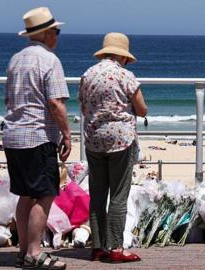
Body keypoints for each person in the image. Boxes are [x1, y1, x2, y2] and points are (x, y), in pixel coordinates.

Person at [3, 7, 69, 269]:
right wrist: (66, 134)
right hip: (37, 136)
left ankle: (22, 251)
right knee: (44, 194)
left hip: (14, 135)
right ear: (46, 33)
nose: (58, 36)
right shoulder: (49, 60)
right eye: (56, 31)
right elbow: (55, 103)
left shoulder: (16, 59)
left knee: (25, 195)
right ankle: (34, 252)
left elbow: (9, 99)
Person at [79, 32, 146, 263]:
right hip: (121, 140)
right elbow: (142, 109)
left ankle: (97, 247)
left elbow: (83, 107)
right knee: (118, 195)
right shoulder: (126, 75)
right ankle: (116, 247)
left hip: (94, 139)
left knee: (97, 194)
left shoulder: (88, 74)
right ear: (123, 56)